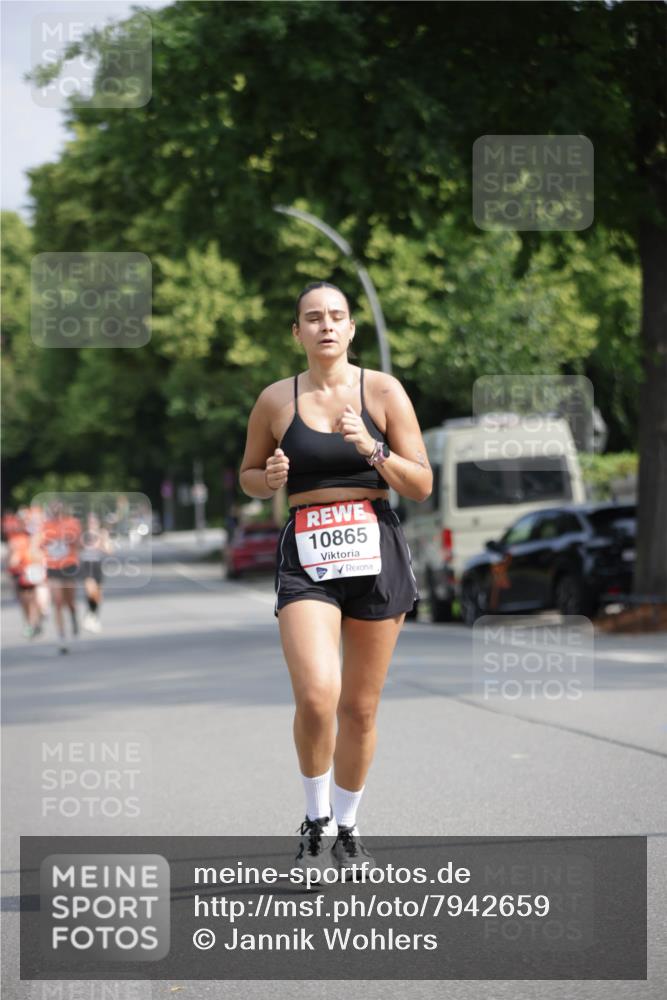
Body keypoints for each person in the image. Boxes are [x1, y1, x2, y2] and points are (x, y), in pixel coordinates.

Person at [239, 281, 432, 877]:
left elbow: (420, 482)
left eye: (337, 316)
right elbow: (246, 474)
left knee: (361, 709)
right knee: (318, 696)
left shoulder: (382, 391)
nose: (326, 325)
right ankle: (315, 823)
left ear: (351, 330)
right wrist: (268, 478)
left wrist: (372, 450)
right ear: (295, 332)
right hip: (308, 553)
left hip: (374, 544)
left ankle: (349, 828)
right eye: (312, 317)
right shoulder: (276, 400)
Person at [40, 501, 82, 654]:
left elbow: (78, 543)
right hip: (52, 566)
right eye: (52, 509)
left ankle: (73, 615)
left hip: (69, 565)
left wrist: (69, 538)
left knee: (69, 601)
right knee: (57, 601)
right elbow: (39, 544)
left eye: (58, 509)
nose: (55, 512)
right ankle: (61, 636)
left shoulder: (72, 523)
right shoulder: (45, 526)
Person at [80, 512, 113, 632]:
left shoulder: (102, 534)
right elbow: (76, 548)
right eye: (90, 521)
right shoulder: (82, 534)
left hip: (97, 566)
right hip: (86, 565)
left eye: (94, 521)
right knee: (90, 591)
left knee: (98, 595)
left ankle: (92, 616)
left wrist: (103, 541)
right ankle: (90, 616)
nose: (92, 523)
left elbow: (109, 551)